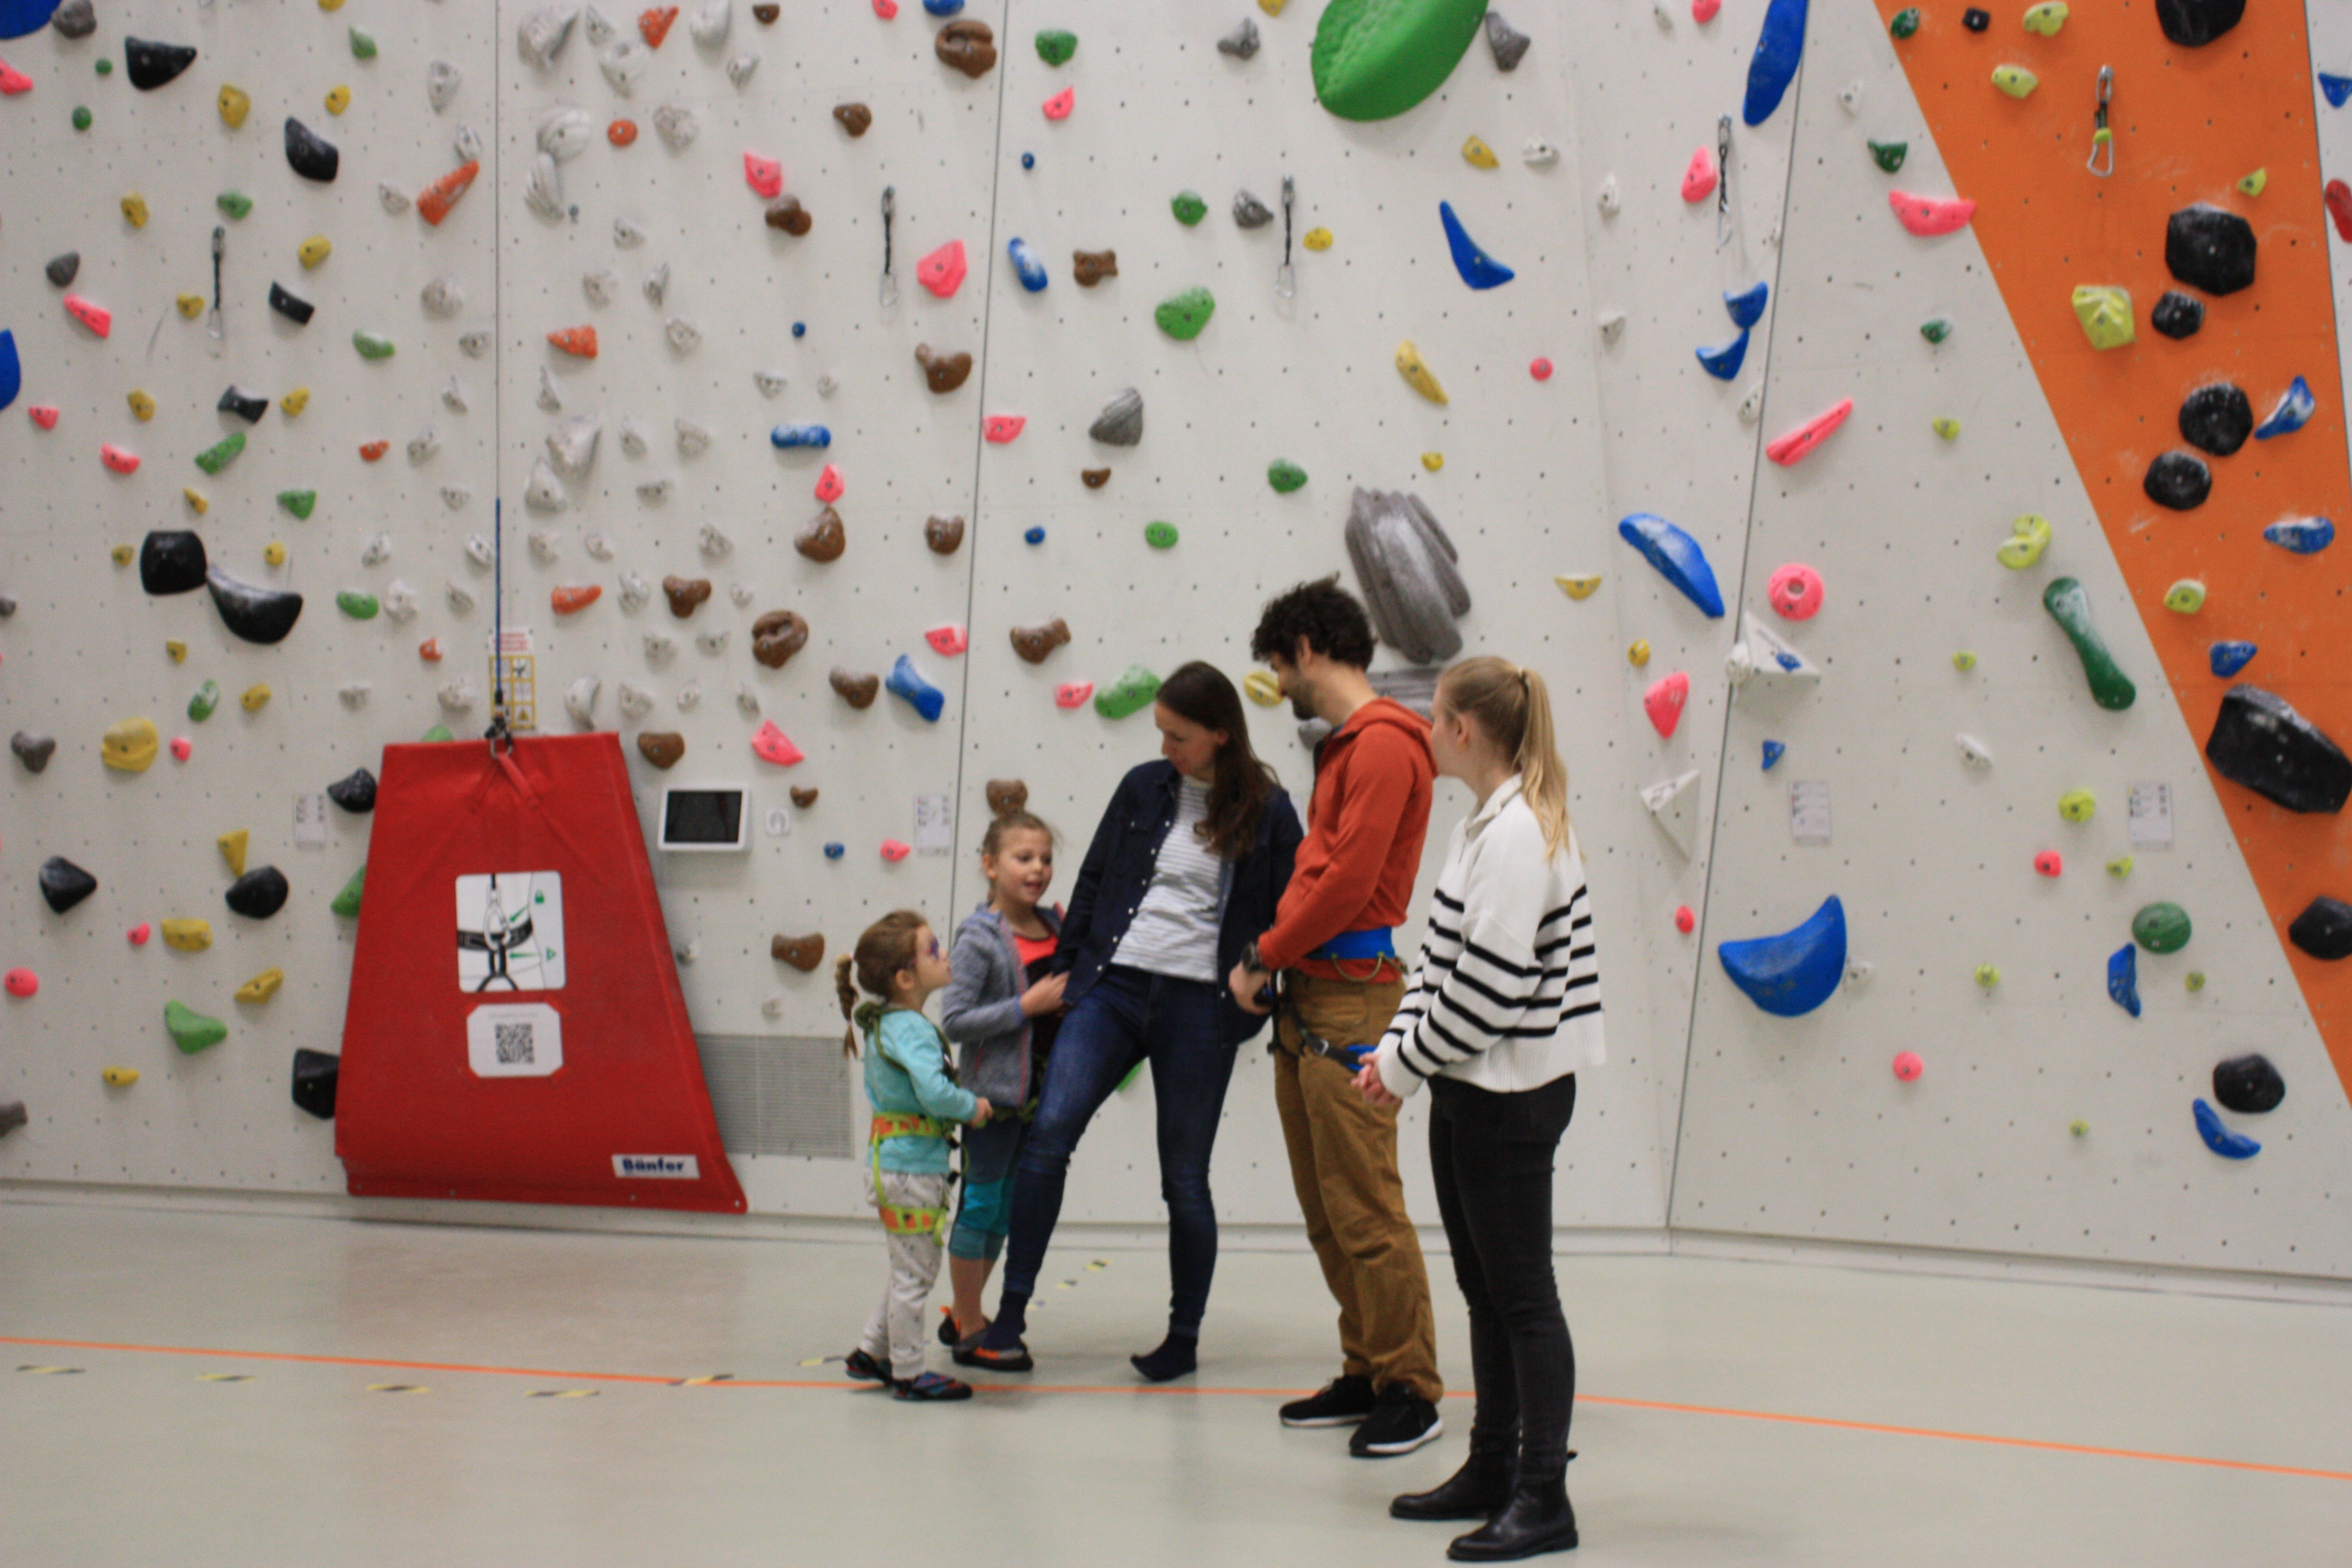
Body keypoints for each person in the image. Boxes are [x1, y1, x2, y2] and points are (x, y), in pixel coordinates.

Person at [968, 661, 1302, 1381]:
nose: (1164, 749)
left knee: (1184, 1178)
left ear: (1220, 734)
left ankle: (1182, 1338)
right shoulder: (1142, 788)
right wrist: (1070, 974)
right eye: (1160, 733)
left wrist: (1264, 978)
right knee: (1049, 1134)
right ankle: (1009, 1319)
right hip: (1114, 989)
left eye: (1178, 737)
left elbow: (1291, 909)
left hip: (1201, 1007)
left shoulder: (1270, 810)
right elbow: (1094, 879)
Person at [1357, 656, 1603, 1561]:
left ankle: (1543, 1495)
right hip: (1468, 1084)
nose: (1426, 730)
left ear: (1463, 730)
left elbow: (1492, 991)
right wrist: (1399, 1052)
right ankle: (1492, 1463)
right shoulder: (1483, 825)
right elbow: (1436, 966)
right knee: (1485, 1290)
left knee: (1524, 1297)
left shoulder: (1517, 835)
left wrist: (1401, 1067)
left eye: (1434, 716)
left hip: (1510, 1096)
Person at [1228, 575, 1445, 1458]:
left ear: (1308, 649)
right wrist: (1280, 958)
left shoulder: (1384, 745)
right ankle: (1368, 1366)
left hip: (1349, 996)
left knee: (1365, 1207)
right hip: (1313, 996)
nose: (1279, 684)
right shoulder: (1352, 746)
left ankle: (1411, 1386)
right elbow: (1325, 875)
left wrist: (1264, 953)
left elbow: (1350, 883)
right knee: (1327, 1207)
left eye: (1279, 666)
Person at [836, 910, 994, 1403]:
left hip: (896, 1164)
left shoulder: (891, 1023)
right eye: (933, 950)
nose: (944, 955)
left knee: (909, 1266)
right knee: (916, 1274)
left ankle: (872, 1351)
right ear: (905, 978)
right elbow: (934, 1092)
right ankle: (908, 1372)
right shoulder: (913, 1030)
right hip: (910, 1171)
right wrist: (971, 1107)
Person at [935, 810, 1066, 1357]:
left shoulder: (1056, 926)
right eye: (1023, 857)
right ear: (990, 866)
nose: (1037, 869)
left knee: (1007, 1206)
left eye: (1046, 859)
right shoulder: (980, 937)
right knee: (981, 1203)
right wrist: (1024, 1007)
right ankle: (969, 1323)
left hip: (1041, 1098)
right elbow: (955, 1020)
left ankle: (965, 1309)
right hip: (992, 1101)